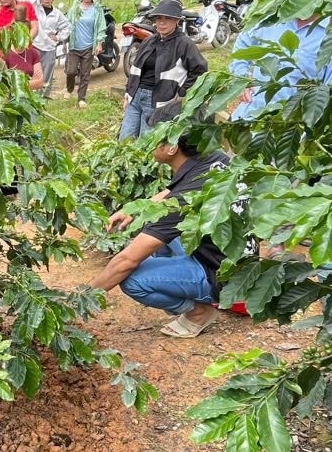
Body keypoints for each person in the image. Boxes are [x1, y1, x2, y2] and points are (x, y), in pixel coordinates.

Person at [91, 132, 229, 337]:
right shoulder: (215, 159)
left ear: (172, 148)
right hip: (230, 256)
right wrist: (135, 209)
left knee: (133, 279)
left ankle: (199, 312)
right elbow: (174, 191)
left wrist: (83, 297)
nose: (149, 143)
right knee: (157, 227)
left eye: (155, 139)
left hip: (220, 275)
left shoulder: (179, 204)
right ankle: (177, 278)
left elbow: (126, 262)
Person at [119, 0, 208, 139]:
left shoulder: (184, 44)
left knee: (146, 144)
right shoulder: (149, 40)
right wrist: (128, 93)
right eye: (159, 18)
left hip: (158, 101)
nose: (162, 22)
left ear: (177, 21)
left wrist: (182, 91)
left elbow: (200, 70)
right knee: (125, 140)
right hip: (136, 97)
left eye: (167, 18)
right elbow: (136, 69)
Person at [66, 0, 103, 108]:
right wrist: (62, 39)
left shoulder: (97, 9)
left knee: (85, 74)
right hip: (74, 46)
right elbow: (67, 24)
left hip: (88, 47)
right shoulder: (75, 8)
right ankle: (69, 89)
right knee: (70, 71)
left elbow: (101, 27)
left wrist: (99, 43)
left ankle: (81, 98)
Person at [30, 0, 70, 99]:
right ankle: (32, 101)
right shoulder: (35, 8)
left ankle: (43, 102)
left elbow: (67, 27)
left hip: (49, 50)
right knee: (33, 76)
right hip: (35, 47)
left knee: (46, 78)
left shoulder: (57, 14)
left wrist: (58, 37)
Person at [3, 5, 45, 90]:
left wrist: (20, 85)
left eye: (25, 34)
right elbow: (7, 86)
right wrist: (32, 82)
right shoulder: (5, 54)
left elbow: (40, 83)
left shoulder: (33, 53)